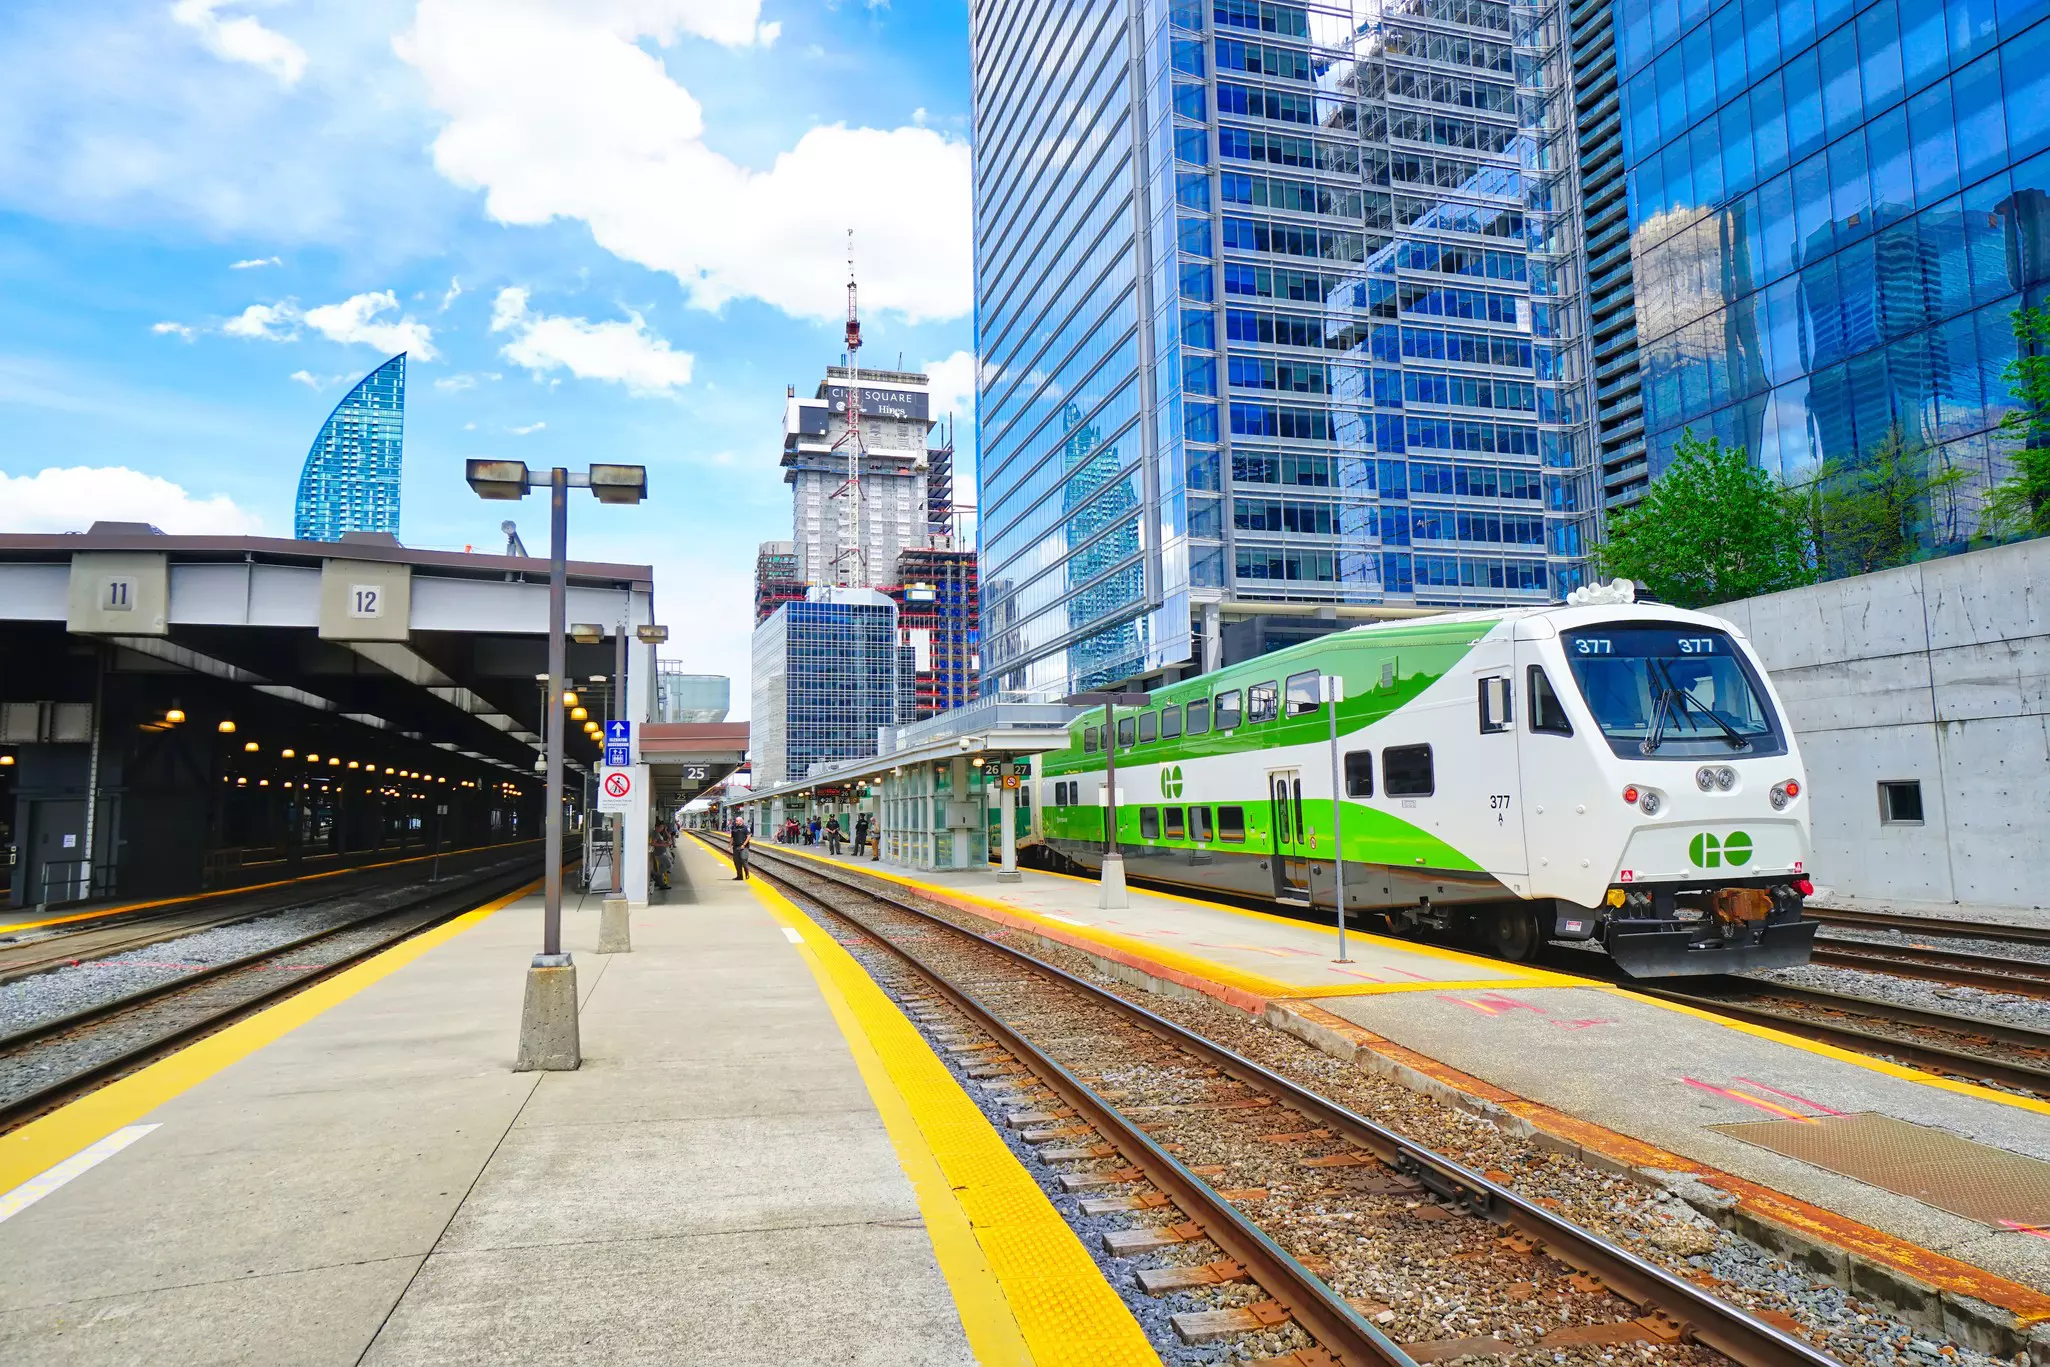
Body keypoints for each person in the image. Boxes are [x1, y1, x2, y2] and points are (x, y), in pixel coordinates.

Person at [728, 814, 751, 880]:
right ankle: (739, 876)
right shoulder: (734, 828)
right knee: (737, 862)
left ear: (741, 821)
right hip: (736, 847)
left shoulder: (745, 828)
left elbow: (749, 836)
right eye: (736, 821)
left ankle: (746, 872)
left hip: (744, 847)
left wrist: (744, 845)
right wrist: (729, 846)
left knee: (743, 859)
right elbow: (732, 838)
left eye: (737, 821)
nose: (736, 822)